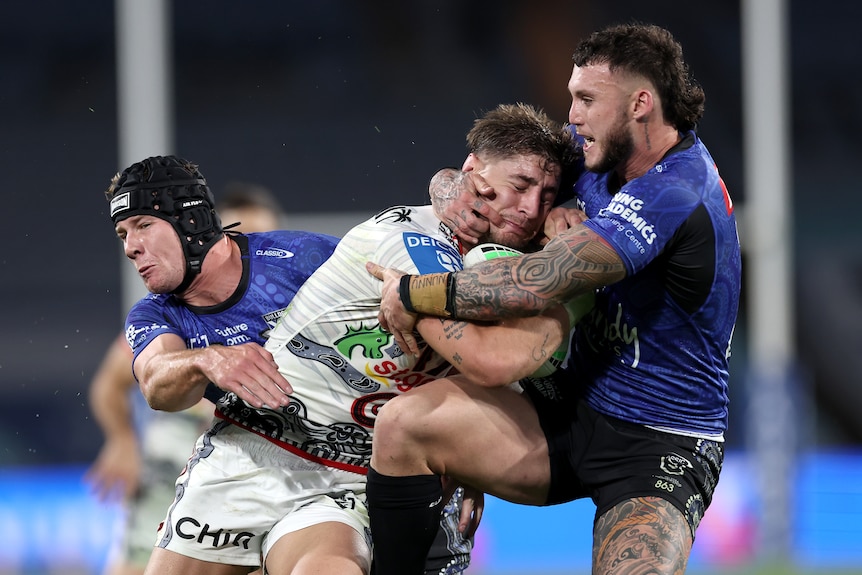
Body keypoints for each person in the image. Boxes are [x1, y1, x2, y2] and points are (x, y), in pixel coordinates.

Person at [365, 22, 742, 575]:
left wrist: (413, 291)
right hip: (564, 409)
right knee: (405, 426)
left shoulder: (675, 191)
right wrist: (449, 187)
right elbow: (479, 174)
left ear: (640, 104)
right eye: (573, 98)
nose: (573, 116)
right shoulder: (592, 152)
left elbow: (533, 284)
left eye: (587, 99)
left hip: (658, 442)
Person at [257, 102, 580, 575]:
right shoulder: (421, 242)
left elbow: (478, 374)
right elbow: (484, 360)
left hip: (399, 462)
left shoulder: (525, 251)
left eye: (548, 195)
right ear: (474, 173)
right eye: (520, 186)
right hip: (303, 455)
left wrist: (469, 460)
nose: (532, 208)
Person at [86, 183, 287, 575]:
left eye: (259, 237)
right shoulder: (173, 314)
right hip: (178, 452)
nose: (246, 244)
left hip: (269, 452)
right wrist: (123, 442)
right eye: (237, 234)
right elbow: (109, 383)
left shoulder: (294, 290)